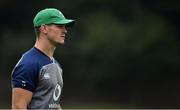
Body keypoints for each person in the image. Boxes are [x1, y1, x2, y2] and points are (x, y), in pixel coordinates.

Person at [11, 8, 75, 109]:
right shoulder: (29, 64)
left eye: (65, 27)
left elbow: (54, 104)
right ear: (44, 28)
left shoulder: (56, 65)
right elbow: (18, 107)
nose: (65, 30)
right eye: (59, 26)